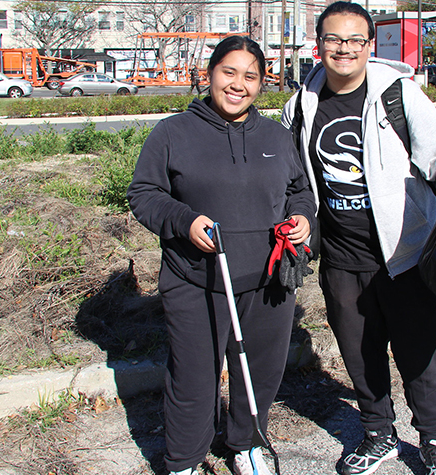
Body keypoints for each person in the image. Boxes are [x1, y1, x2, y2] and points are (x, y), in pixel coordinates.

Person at [281, 2, 436, 475]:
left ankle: (435, 443)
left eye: (355, 40)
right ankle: (378, 433)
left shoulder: (398, 94)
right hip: (341, 256)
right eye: (334, 40)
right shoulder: (299, 105)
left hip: (405, 252)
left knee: (419, 352)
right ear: (318, 44)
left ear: (369, 45)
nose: (344, 49)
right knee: (360, 353)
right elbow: (290, 176)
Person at [128, 36, 315, 475]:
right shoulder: (173, 133)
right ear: (210, 74)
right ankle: (184, 460)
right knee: (193, 377)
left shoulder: (276, 136)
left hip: (269, 280)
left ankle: (246, 445)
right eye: (229, 72)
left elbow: (298, 191)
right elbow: (144, 193)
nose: (238, 84)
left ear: (262, 83)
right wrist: (184, 221)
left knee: (261, 373)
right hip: (196, 278)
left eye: (250, 76)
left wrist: (302, 217)